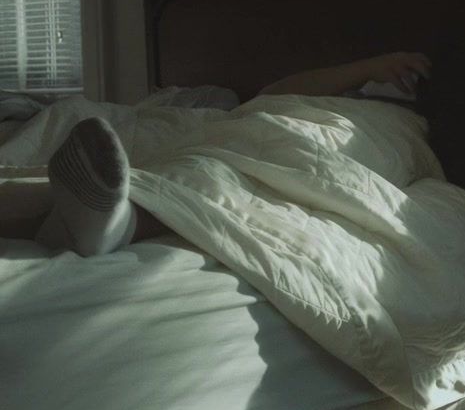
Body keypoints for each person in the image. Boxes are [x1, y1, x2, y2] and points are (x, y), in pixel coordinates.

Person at [0, 52, 431, 257]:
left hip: (375, 137)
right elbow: (271, 97)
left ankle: (124, 221)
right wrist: (367, 68)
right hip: (266, 121)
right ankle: (76, 219)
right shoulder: (359, 86)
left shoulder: (418, 121)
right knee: (229, 145)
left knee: (237, 168)